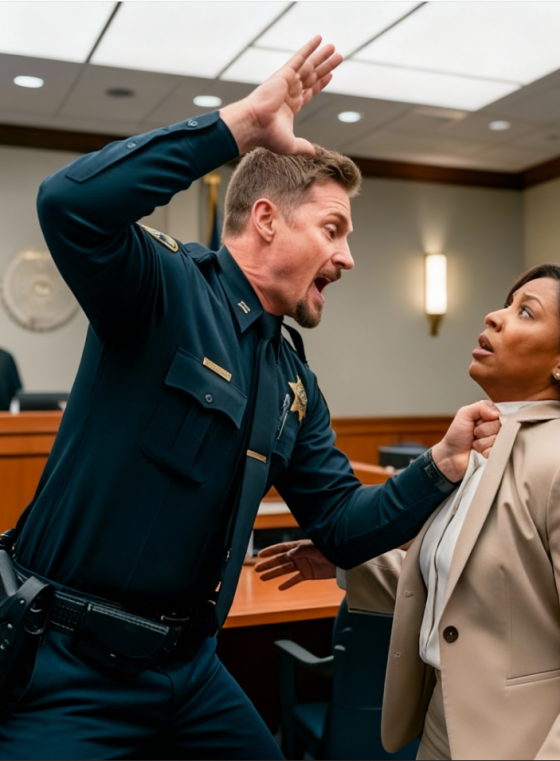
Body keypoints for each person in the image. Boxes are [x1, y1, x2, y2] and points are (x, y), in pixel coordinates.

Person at [0, 38, 500, 760]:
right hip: (73, 670)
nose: (350, 257)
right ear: (266, 219)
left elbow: (341, 527)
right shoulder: (165, 291)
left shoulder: (293, 378)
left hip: (189, 669)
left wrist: (440, 465)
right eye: (333, 229)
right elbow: (70, 205)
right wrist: (237, 125)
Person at [256, 263, 560, 760]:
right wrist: (341, 562)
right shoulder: (484, 443)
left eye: (524, 311)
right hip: (450, 726)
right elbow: (468, 586)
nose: (494, 316)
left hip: (535, 742)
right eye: (506, 303)